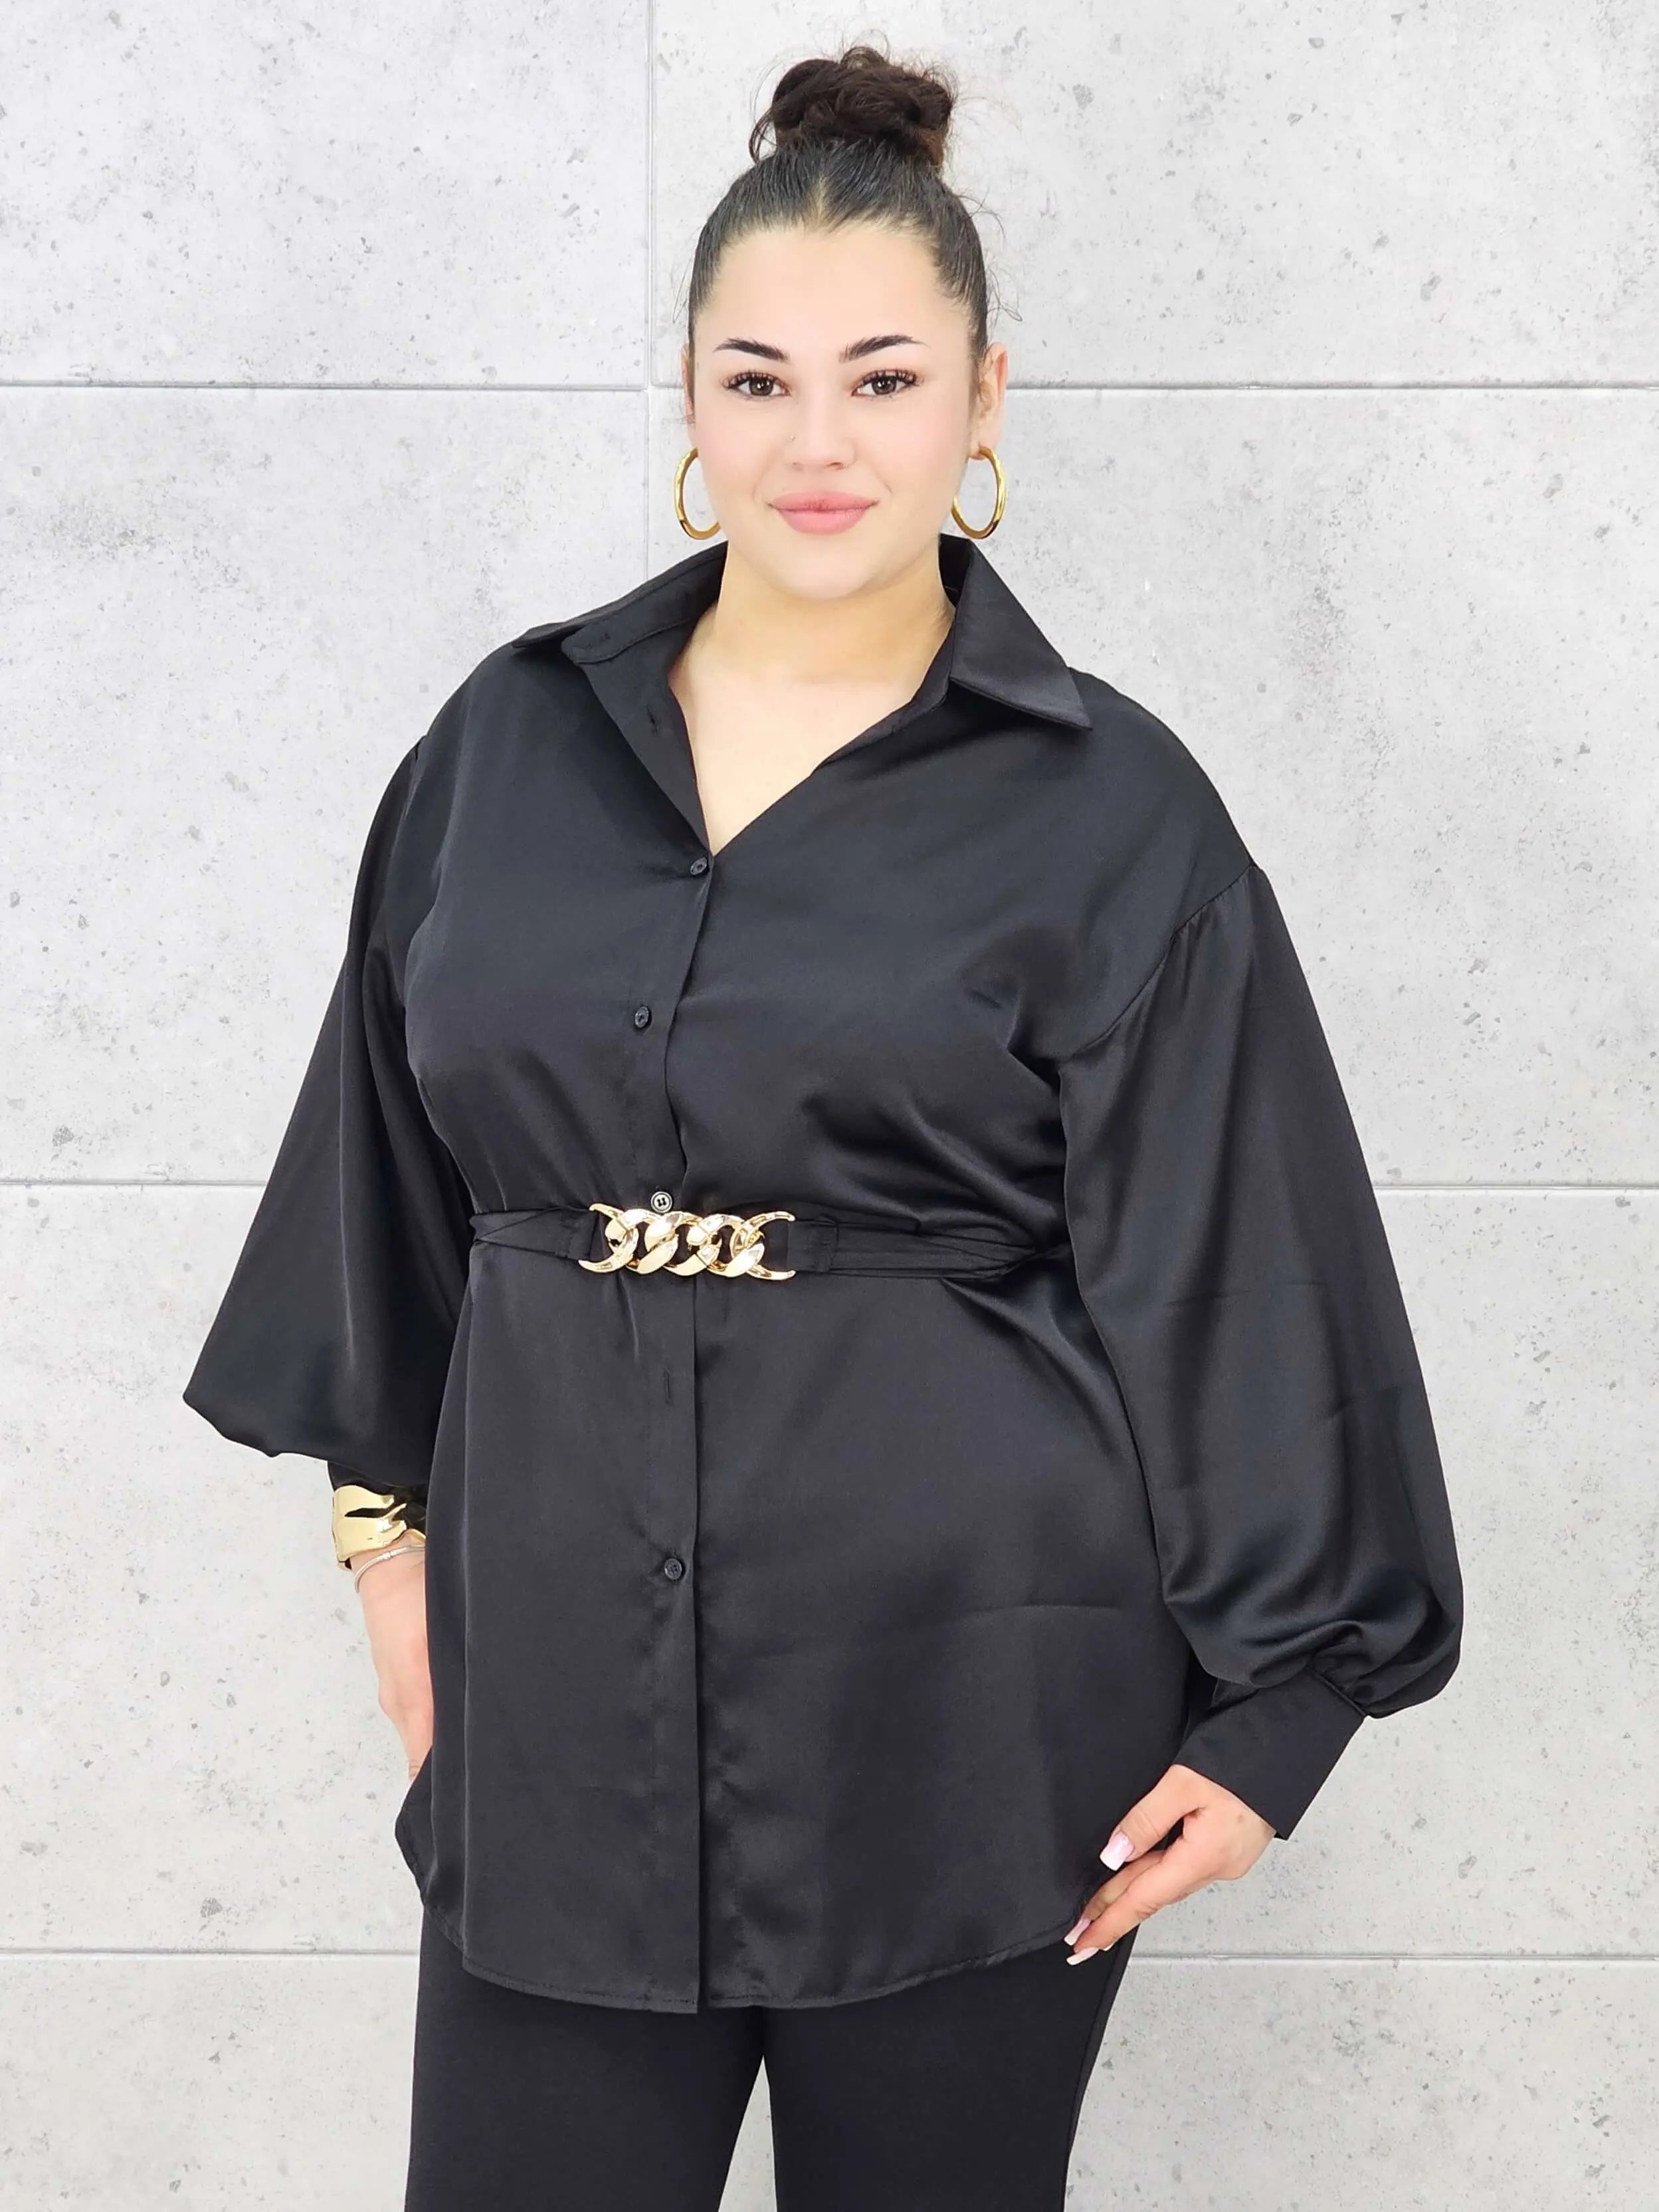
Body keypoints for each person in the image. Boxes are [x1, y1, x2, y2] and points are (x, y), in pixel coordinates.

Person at [180, 40, 1464, 2212]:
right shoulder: (502, 748)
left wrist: (1282, 1716)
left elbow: (1247, 1255)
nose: (816, 440)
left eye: (882, 379)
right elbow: (375, 1177)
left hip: (981, 1709)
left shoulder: (1110, 806)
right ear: (689, 400)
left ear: (981, 399)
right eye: (756, 379)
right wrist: (386, 1552)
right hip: (559, 1705)